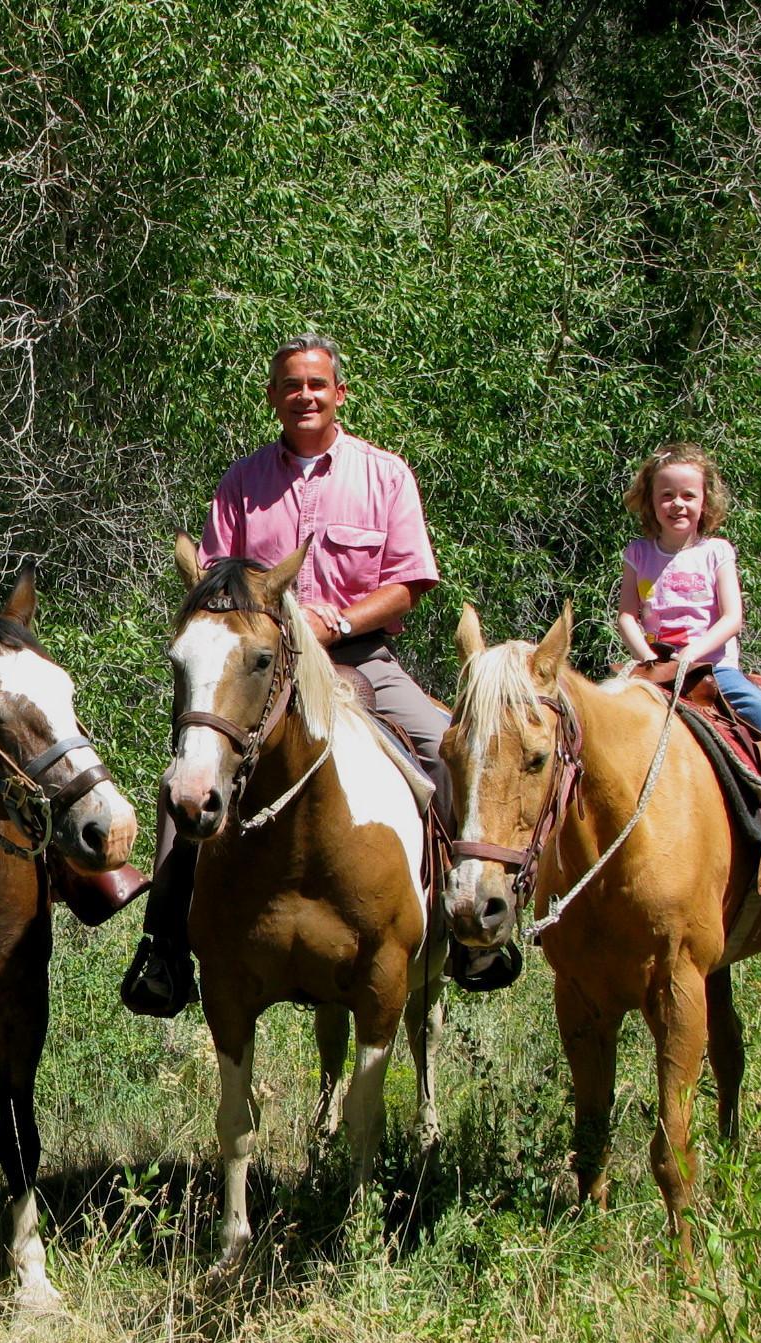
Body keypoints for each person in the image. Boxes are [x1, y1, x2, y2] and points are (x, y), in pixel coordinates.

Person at [120, 333, 520, 1015]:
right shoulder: (242, 483)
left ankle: (472, 933)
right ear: (273, 397)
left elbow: (409, 581)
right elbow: (217, 586)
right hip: (261, 671)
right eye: (290, 384)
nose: (304, 395)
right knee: (186, 780)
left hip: (363, 656)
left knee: (453, 748)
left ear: (340, 393)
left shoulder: (385, 474)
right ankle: (162, 946)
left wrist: (340, 621)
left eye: (316, 384)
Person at [615, 441, 761, 843]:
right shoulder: (638, 553)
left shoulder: (716, 551)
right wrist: (648, 657)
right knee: (600, 719)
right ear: (650, 502)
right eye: (666, 495)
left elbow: (731, 618)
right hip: (654, 666)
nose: (677, 504)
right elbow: (627, 616)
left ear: (706, 501)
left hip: (712, 668)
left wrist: (692, 653)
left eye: (688, 495)